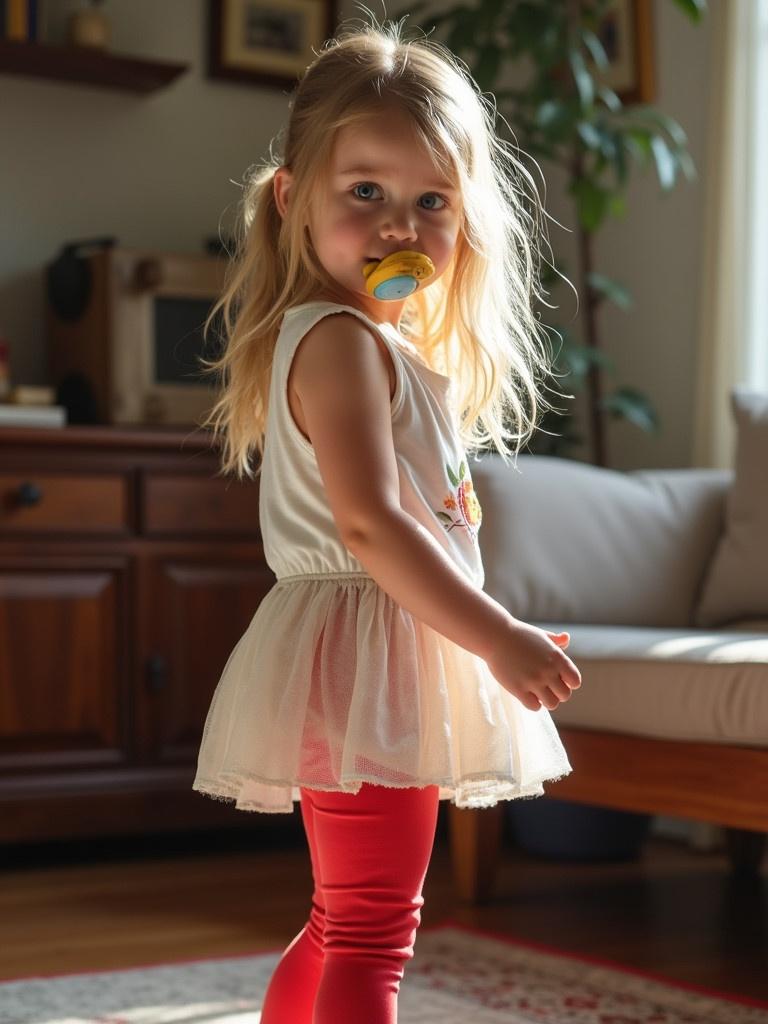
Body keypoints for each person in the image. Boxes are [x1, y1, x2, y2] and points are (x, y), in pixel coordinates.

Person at [192, 14, 582, 1023]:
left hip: (368, 648)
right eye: (366, 192)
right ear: (293, 201)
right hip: (364, 651)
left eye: (430, 201)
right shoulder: (340, 343)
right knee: (371, 931)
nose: (401, 225)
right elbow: (369, 526)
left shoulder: (366, 340)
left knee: (343, 919)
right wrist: (494, 634)